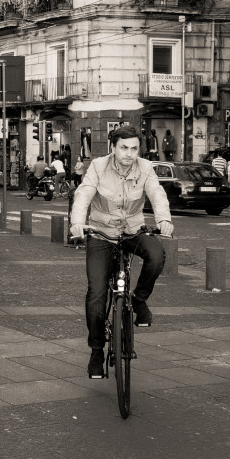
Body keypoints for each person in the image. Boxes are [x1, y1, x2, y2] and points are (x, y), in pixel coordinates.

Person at [69, 124, 173, 379]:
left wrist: (164, 219)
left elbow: (157, 194)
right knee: (96, 293)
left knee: (157, 255)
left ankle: (138, 299)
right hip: (101, 233)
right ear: (113, 148)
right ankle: (96, 351)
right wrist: (77, 223)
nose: (129, 153)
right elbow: (83, 195)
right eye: (124, 148)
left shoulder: (146, 168)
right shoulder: (98, 167)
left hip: (133, 230)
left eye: (134, 148)